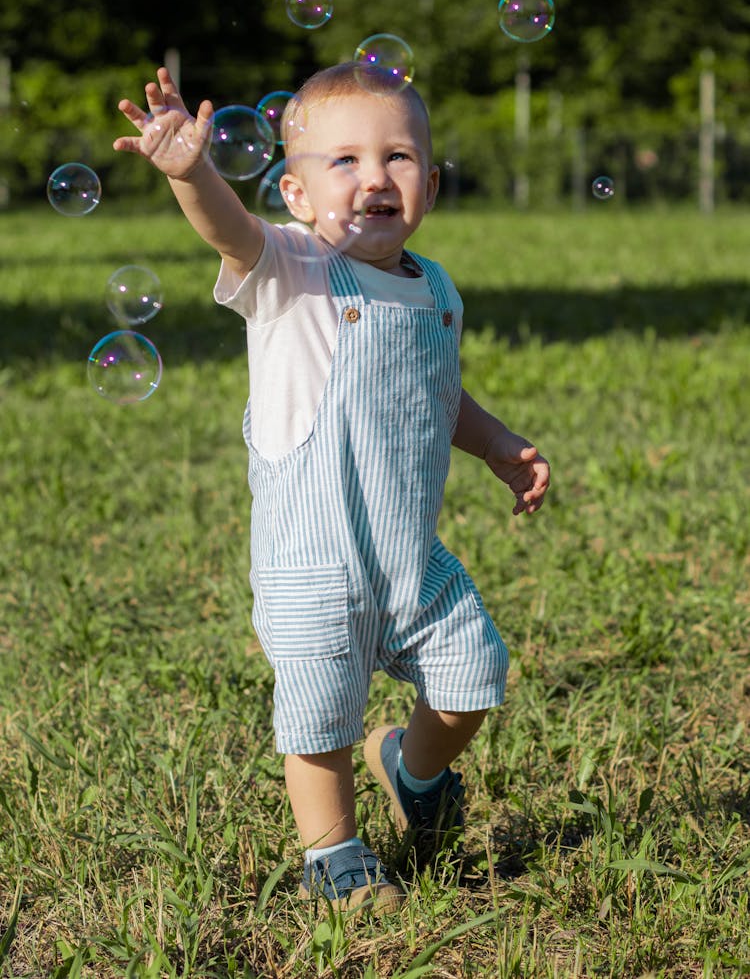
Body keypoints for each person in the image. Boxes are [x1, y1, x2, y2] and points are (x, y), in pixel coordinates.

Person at [115, 62, 550, 914]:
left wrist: (496, 442)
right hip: (314, 564)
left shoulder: (437, 289)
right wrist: (192, 172)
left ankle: (413, 766)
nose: (376, 177)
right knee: (319, 723)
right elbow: (230, 232)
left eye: (400, 156)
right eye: (344, 160)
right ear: (298, 191)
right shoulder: (292, 270)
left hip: (408, 553)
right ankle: (336, 853)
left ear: (430, 177)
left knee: (475, 673)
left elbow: (436, 388)